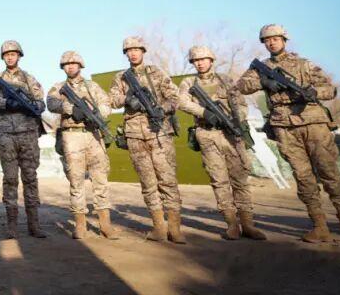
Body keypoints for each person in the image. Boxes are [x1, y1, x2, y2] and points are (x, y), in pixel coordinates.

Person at [236, 24, 340, 245]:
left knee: (330, 173)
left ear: (284, 40)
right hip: (284, 128)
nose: (271, 43)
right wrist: (264, 81)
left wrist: (313, 92)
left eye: (275, 39)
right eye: (267, 40)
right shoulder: (261, 68)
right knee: (303, 178)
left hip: (314, 123)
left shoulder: (304, 64)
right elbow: (242, 85)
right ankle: (319, 227)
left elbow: (330, 89)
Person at [176, 45, 265, 241]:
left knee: (240, 180)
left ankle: (248, 224)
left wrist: (236, 119)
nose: (199, 63)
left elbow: (241, 105)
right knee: (219, 181)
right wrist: (204, 113)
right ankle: (232, 224)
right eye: (195, 61)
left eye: (203, 59)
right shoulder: (189, 82)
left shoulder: (225, 80)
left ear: (211, 60)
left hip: (231, 135)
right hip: (207, 135)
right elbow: (181, 102)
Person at [108, 36, 185, 243]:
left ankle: (175, 228)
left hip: (159, 133)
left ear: (143, 51)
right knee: (148, 182)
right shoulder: (121, 77)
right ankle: (159, 227)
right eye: (129, 50)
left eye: (136, 49)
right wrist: (127, 99)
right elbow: (112, 100)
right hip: (135, 135)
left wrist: (163, 109)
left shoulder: (156, 72)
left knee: (167, 180)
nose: (133, 53)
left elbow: (175, 97)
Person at [45, 50, 118, 240]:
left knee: (100, 179)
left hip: (93, 134)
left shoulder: (92, 86)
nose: (70, 67)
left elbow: (106, 104)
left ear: (80, 65)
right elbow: (51, 103)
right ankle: (80, 224)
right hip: (72, 136)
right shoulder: (58, 87)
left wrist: (97, 113)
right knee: (76, 180)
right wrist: (70, 109)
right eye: (66, 65)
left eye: (73, 64)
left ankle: (105, 225)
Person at [0, 40, 48, 238]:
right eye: (7, 55)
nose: (10, 57)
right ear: (3, 57)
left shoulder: (29, 78)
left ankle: (34, 224)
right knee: (10, 179)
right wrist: (7, 103)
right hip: (6, 135)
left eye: (13, 54)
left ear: (19, 56)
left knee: (30, 178)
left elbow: (41, 103)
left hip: (28, 133)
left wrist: (31, 106)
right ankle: (12, 225)